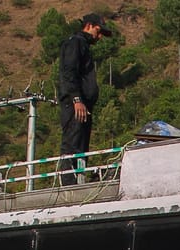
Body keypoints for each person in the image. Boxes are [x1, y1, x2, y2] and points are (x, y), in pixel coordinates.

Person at [58, 12, 112, 186]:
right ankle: (69, 185)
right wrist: (76, 99)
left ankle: (78, 180)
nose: (100, 36)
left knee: (81, 145)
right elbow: (69, 72)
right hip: (75, 104)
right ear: (89, 26)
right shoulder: (75, 43)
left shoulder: (83, 46)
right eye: (99, 30)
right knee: (73, 143)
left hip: (84, 104)